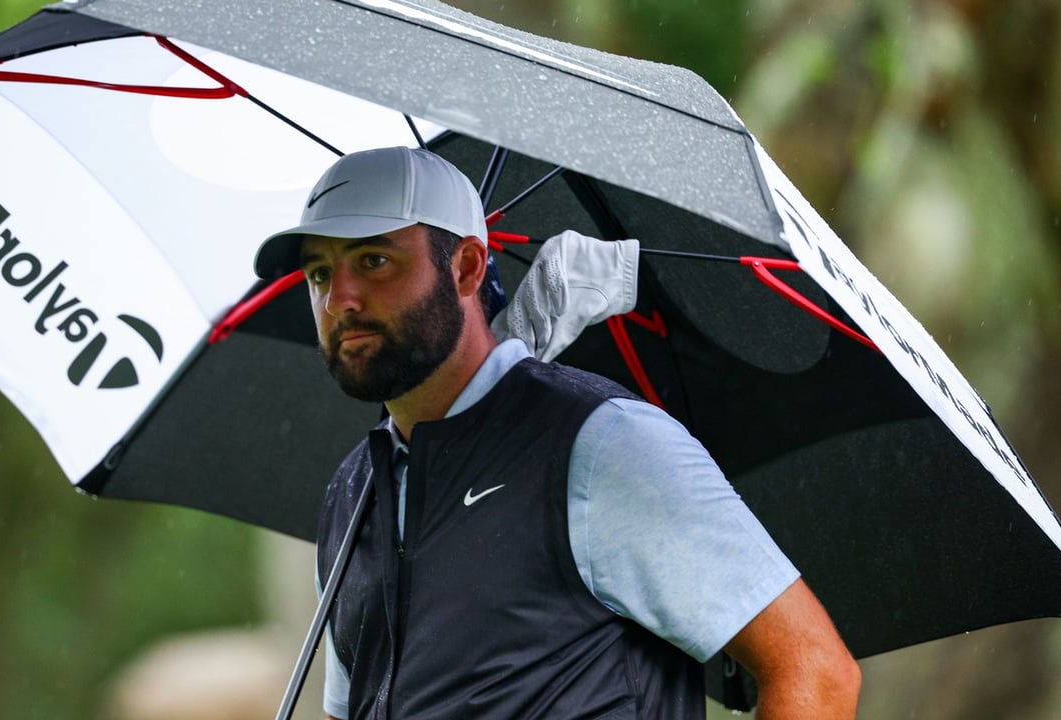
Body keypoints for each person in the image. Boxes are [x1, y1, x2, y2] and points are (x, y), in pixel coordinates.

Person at [254, 147, 860, 719]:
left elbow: (815, 672)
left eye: (373, 261)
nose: (340, 299)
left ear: (465, 267)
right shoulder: (352, 492)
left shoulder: (603, 446)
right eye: (318, 274)